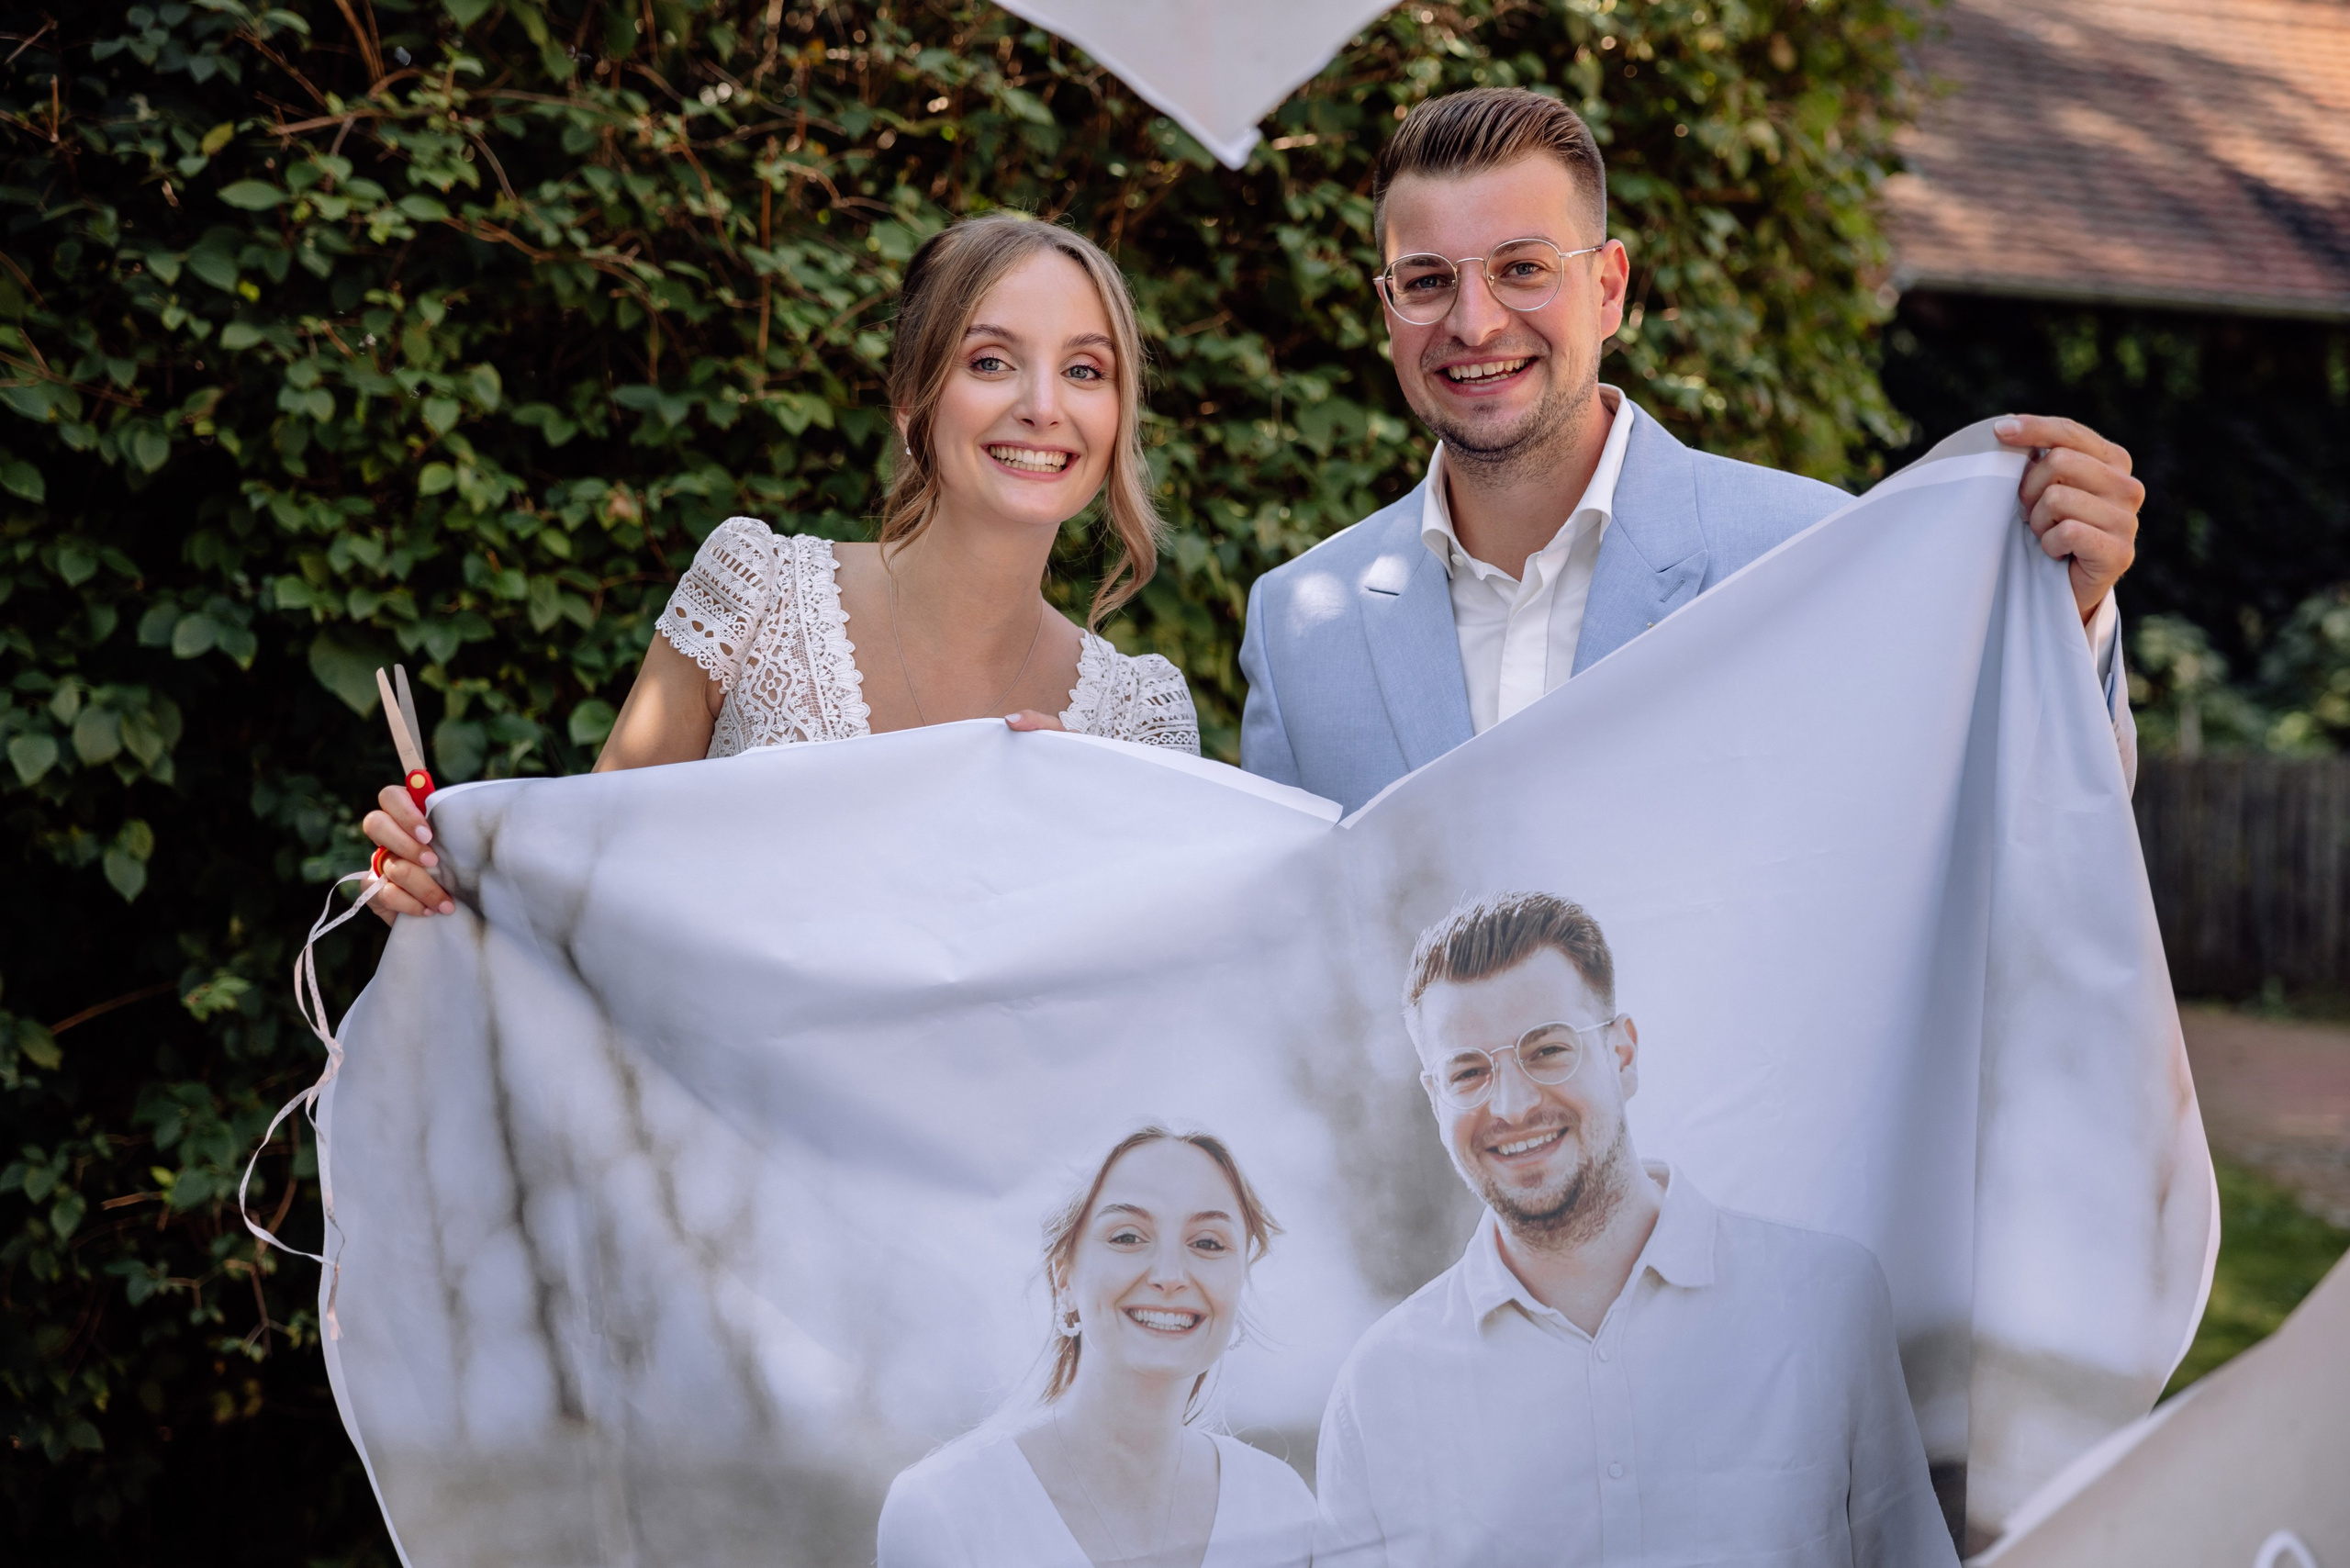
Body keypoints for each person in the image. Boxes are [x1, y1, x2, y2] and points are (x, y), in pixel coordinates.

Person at [1238, 89, 2145, 813]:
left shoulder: (1811, 551)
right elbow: (1284, 953)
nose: (1473, 324)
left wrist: (2067, 622)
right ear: (1387, 309)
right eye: (1427, 280)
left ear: (1608, 289)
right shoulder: (1296, 629)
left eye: (1522, 269)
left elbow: (1999, 821)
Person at [363, 215, 1200, 920]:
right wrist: (441, 883)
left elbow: (1167, 1000)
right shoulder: (755, 592)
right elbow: (577, 894)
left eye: (1085, 370)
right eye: (990, 362)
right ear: (910, 403)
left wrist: (1094, 837)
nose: (1044, 406)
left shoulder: (1139, 724)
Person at [1314, 892, 1956, 1567]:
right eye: (1469, 1071)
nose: (1512, 1104)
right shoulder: (1378, 1395)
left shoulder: (1826, 1304)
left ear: (1622, 1055)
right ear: (1435, 1097)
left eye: (1548, 1050)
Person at [878, 1126, 1315, 1568]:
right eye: (1127, 1237)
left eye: (1207, 1243)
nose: (1170, 1275)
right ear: (1064, 1279)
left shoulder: (1283, 1509)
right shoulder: (947, 1509)